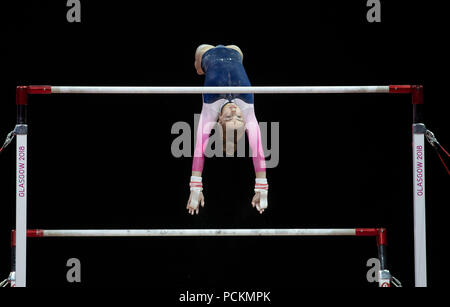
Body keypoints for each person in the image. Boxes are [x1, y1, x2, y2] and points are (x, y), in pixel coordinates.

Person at [186, 44, 268, 215]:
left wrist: (195, 186)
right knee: (238, 53)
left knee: (199, 68)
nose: (234, 112)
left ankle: (200, 67)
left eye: (230, 118)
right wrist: (262, 187)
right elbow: (257, 148)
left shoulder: (210, 111)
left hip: (205, 52)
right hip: (235, 51)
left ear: (219, 120)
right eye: (239, 118)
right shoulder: (247, 111)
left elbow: (199, 149)